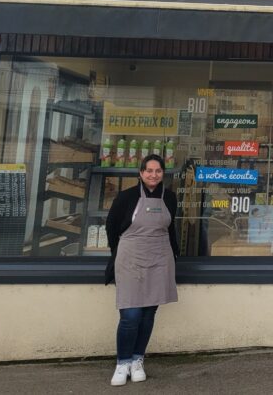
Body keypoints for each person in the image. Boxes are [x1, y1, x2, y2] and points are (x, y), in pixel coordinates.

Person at [105, 153, 179, 386]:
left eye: (158, 171)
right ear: (140, 173)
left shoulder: (170, 197)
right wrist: (120, 251)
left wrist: (175, 254)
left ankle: (138, 360)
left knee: (148, 314)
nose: (153, 175)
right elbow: (111, 227)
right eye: (149, 171)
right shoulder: (126, 197)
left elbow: (171, 226)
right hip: (130, 258)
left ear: (162, 174)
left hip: (159, 258)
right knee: (130, 315)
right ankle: (122, 362)